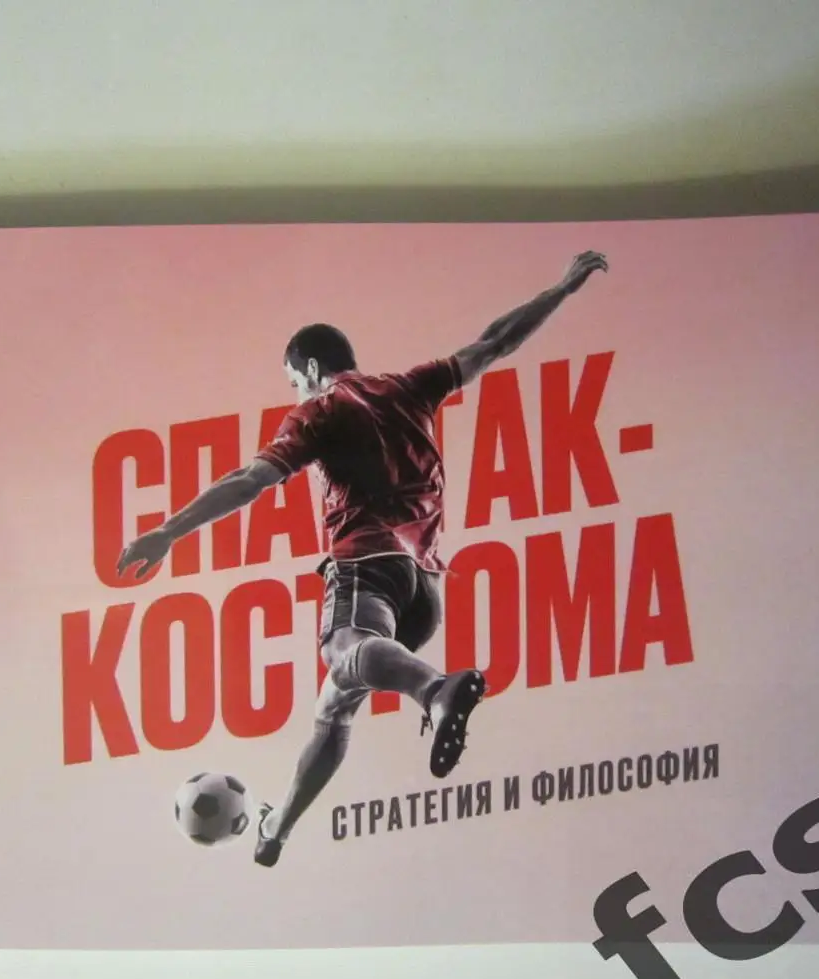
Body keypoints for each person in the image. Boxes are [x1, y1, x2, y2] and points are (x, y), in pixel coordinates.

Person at [118, 250, 609, 866]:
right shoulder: (410, 387)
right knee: (334, 705)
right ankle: (277, 829)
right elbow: (494, 343)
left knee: (341, 651)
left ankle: (434, 689)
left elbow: (249, 481)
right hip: (422, 589)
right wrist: (562, 288)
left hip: (366, 564)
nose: (295, 392)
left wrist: (168, 531)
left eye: (293, 381)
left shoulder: (320, 411)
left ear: (311, 369)